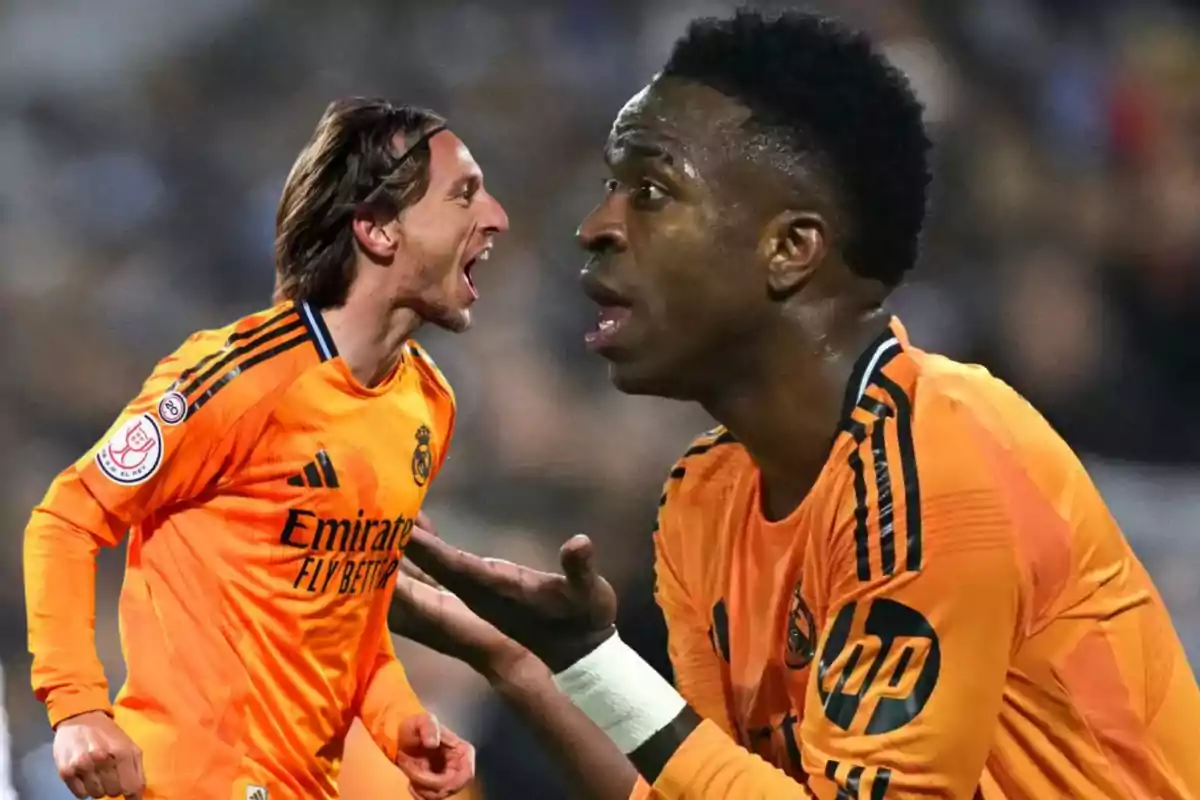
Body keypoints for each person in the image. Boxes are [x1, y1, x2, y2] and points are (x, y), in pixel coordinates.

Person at [387, 10, 1200, 800]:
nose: (595, 226)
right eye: (610, 186)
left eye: (651, 191)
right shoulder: (706, 498)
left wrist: (592, 660)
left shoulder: (942, 466)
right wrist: (532, 662)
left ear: (789, 248)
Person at [24, 97, 508, 800]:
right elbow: (65, 520)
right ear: (376, 230)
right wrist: (77, 709)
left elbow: (352, 612)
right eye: (463, 194)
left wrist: (400, 720)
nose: (495, 216)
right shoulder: (239, 376)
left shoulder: (427, 403)